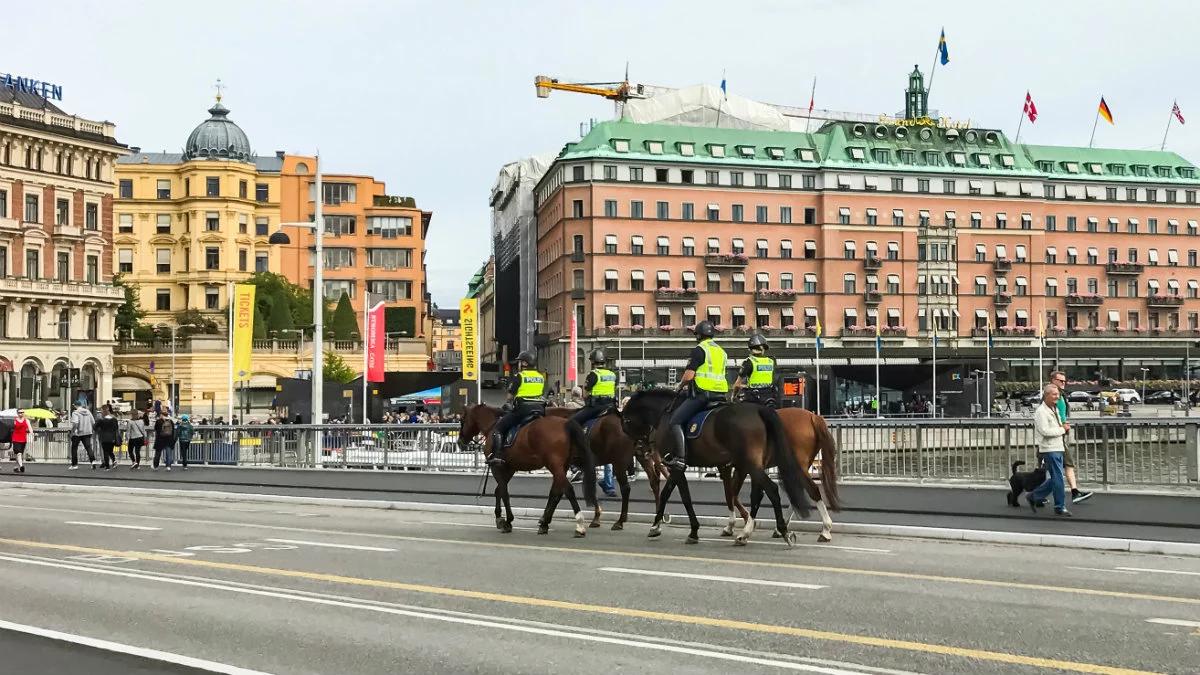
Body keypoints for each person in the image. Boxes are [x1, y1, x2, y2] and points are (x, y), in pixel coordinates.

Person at [664, 321, 728, 471]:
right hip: (721, 395)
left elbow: (688, 376)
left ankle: (680, 458)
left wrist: (679, 387)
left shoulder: (699, 350)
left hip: (703, 395)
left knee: (675, 421)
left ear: (698, 335)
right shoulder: (722, 351)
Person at [570, 349, 619, 496]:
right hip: (611, 408)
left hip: (596, 407)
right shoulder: (612, 374)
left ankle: (574, 461)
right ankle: (609, 483)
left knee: (571, 423)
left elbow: (585, 393)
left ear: (592, 362)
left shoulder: (593, 374)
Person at [488, 351, 545, 467]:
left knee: (498, 428)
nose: (518, 364)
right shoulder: (540, 377)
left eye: (519, 362)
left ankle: (497, 455)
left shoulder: (520, 376)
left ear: (524, 363)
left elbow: (509, 396)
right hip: (540, 408)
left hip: (523, 409)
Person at [1047, 371, 1093, 503]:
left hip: (1058, 434)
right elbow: (1050, 415)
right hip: (1055, 435)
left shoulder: (1060, 396)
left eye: (1064, 381)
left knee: (1048, 467)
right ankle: (1073, 492)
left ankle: (1037, 495)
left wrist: (1064, 424)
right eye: (1060, 381)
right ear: (1053, 380)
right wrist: (1062, 425)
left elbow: (1060, 414)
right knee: (1068, 464)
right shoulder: (1052, 396)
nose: (1063, 383)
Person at [1029, 384, 1071, 516]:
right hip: (1049, 449)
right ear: (1046, 395)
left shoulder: (1054, 408)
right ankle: (1059, 506)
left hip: (1057, 447)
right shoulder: (1041, 412)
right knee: (1058, 478)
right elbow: (1045, 431)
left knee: (1056, 478)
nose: (1057, 397)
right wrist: (1062, 429)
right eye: (1054, 394)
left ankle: (1034, 496)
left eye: (1058, 394)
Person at [732, 333, 776, 407]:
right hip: (769, 397)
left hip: (753, 398)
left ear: (750, 349)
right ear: (763, 349)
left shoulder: (748, 362)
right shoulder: (771, 361)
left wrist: (733, 396)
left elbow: (737, 384)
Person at [68, 402, 97, 470]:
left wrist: (72, 432)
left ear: (75, 405)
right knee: (88, 447)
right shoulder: (88, 412)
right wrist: (92, 430)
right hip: (87, 432)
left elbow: (75, 424)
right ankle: (93, 461)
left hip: (78, 433)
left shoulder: (75, 413)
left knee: (74, 448)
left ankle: (74, 465)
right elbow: (93, 422)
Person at [95, 404, 122, 471]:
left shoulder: (101, 420)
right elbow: (116, 428)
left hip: (104, 438)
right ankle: (114, 461)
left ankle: (107, 467)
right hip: (112, 438)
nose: (101, 413)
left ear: (104, 411)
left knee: (105, 452)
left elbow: (95, 427)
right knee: (110, 451)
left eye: (101, 411)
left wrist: (99, 430)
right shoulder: (114, 419)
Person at [10, 409, 30, 473]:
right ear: (17, 413)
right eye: (19, 412)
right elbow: (10, 428)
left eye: (22, 412)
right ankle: (21, 466)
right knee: (18, 453)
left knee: (19, 455)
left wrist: (31, 432)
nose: (21, 414)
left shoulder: (26, 420)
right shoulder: (14, 420)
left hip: (23, 439)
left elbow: (29, 428)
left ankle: (16, 467)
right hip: (15, 439)